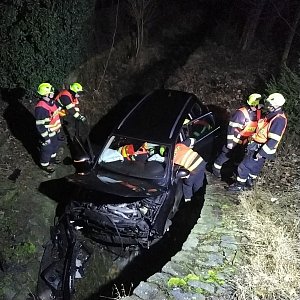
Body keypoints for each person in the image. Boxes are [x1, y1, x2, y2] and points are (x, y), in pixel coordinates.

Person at [226, 93, 287, 192]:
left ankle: (239, 185)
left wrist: (261, 152)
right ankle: (248, 183)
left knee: (244, 166)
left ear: (276, 105)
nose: (267, 105)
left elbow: (274, 139)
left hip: (261, 147)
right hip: (258, 145)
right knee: (255, 167)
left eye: (269, 104)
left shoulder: (278, 120)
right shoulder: (272, 115)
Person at [212, 93, 263, 178]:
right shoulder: (241, 113)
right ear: (254, 104)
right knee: (225, 155)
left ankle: (233, 171)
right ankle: (215, 170)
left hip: (245, 140)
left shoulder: (258, 113)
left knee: (239, 157)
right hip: (234, 139)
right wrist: (230, 142)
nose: (261, 107)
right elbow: (231, 127)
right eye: (259, 105)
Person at [35, 83, 63, 173]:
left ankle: (52, 159)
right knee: (47, 149)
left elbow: (55, 116)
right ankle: (44, 165)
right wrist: (46, 138)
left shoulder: (51, 102)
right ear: (46, 94)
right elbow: (40, 125)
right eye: (51, 91)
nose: (53, 92)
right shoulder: (41, 108)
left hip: (54, 130)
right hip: (47, 133)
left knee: (55, 145)